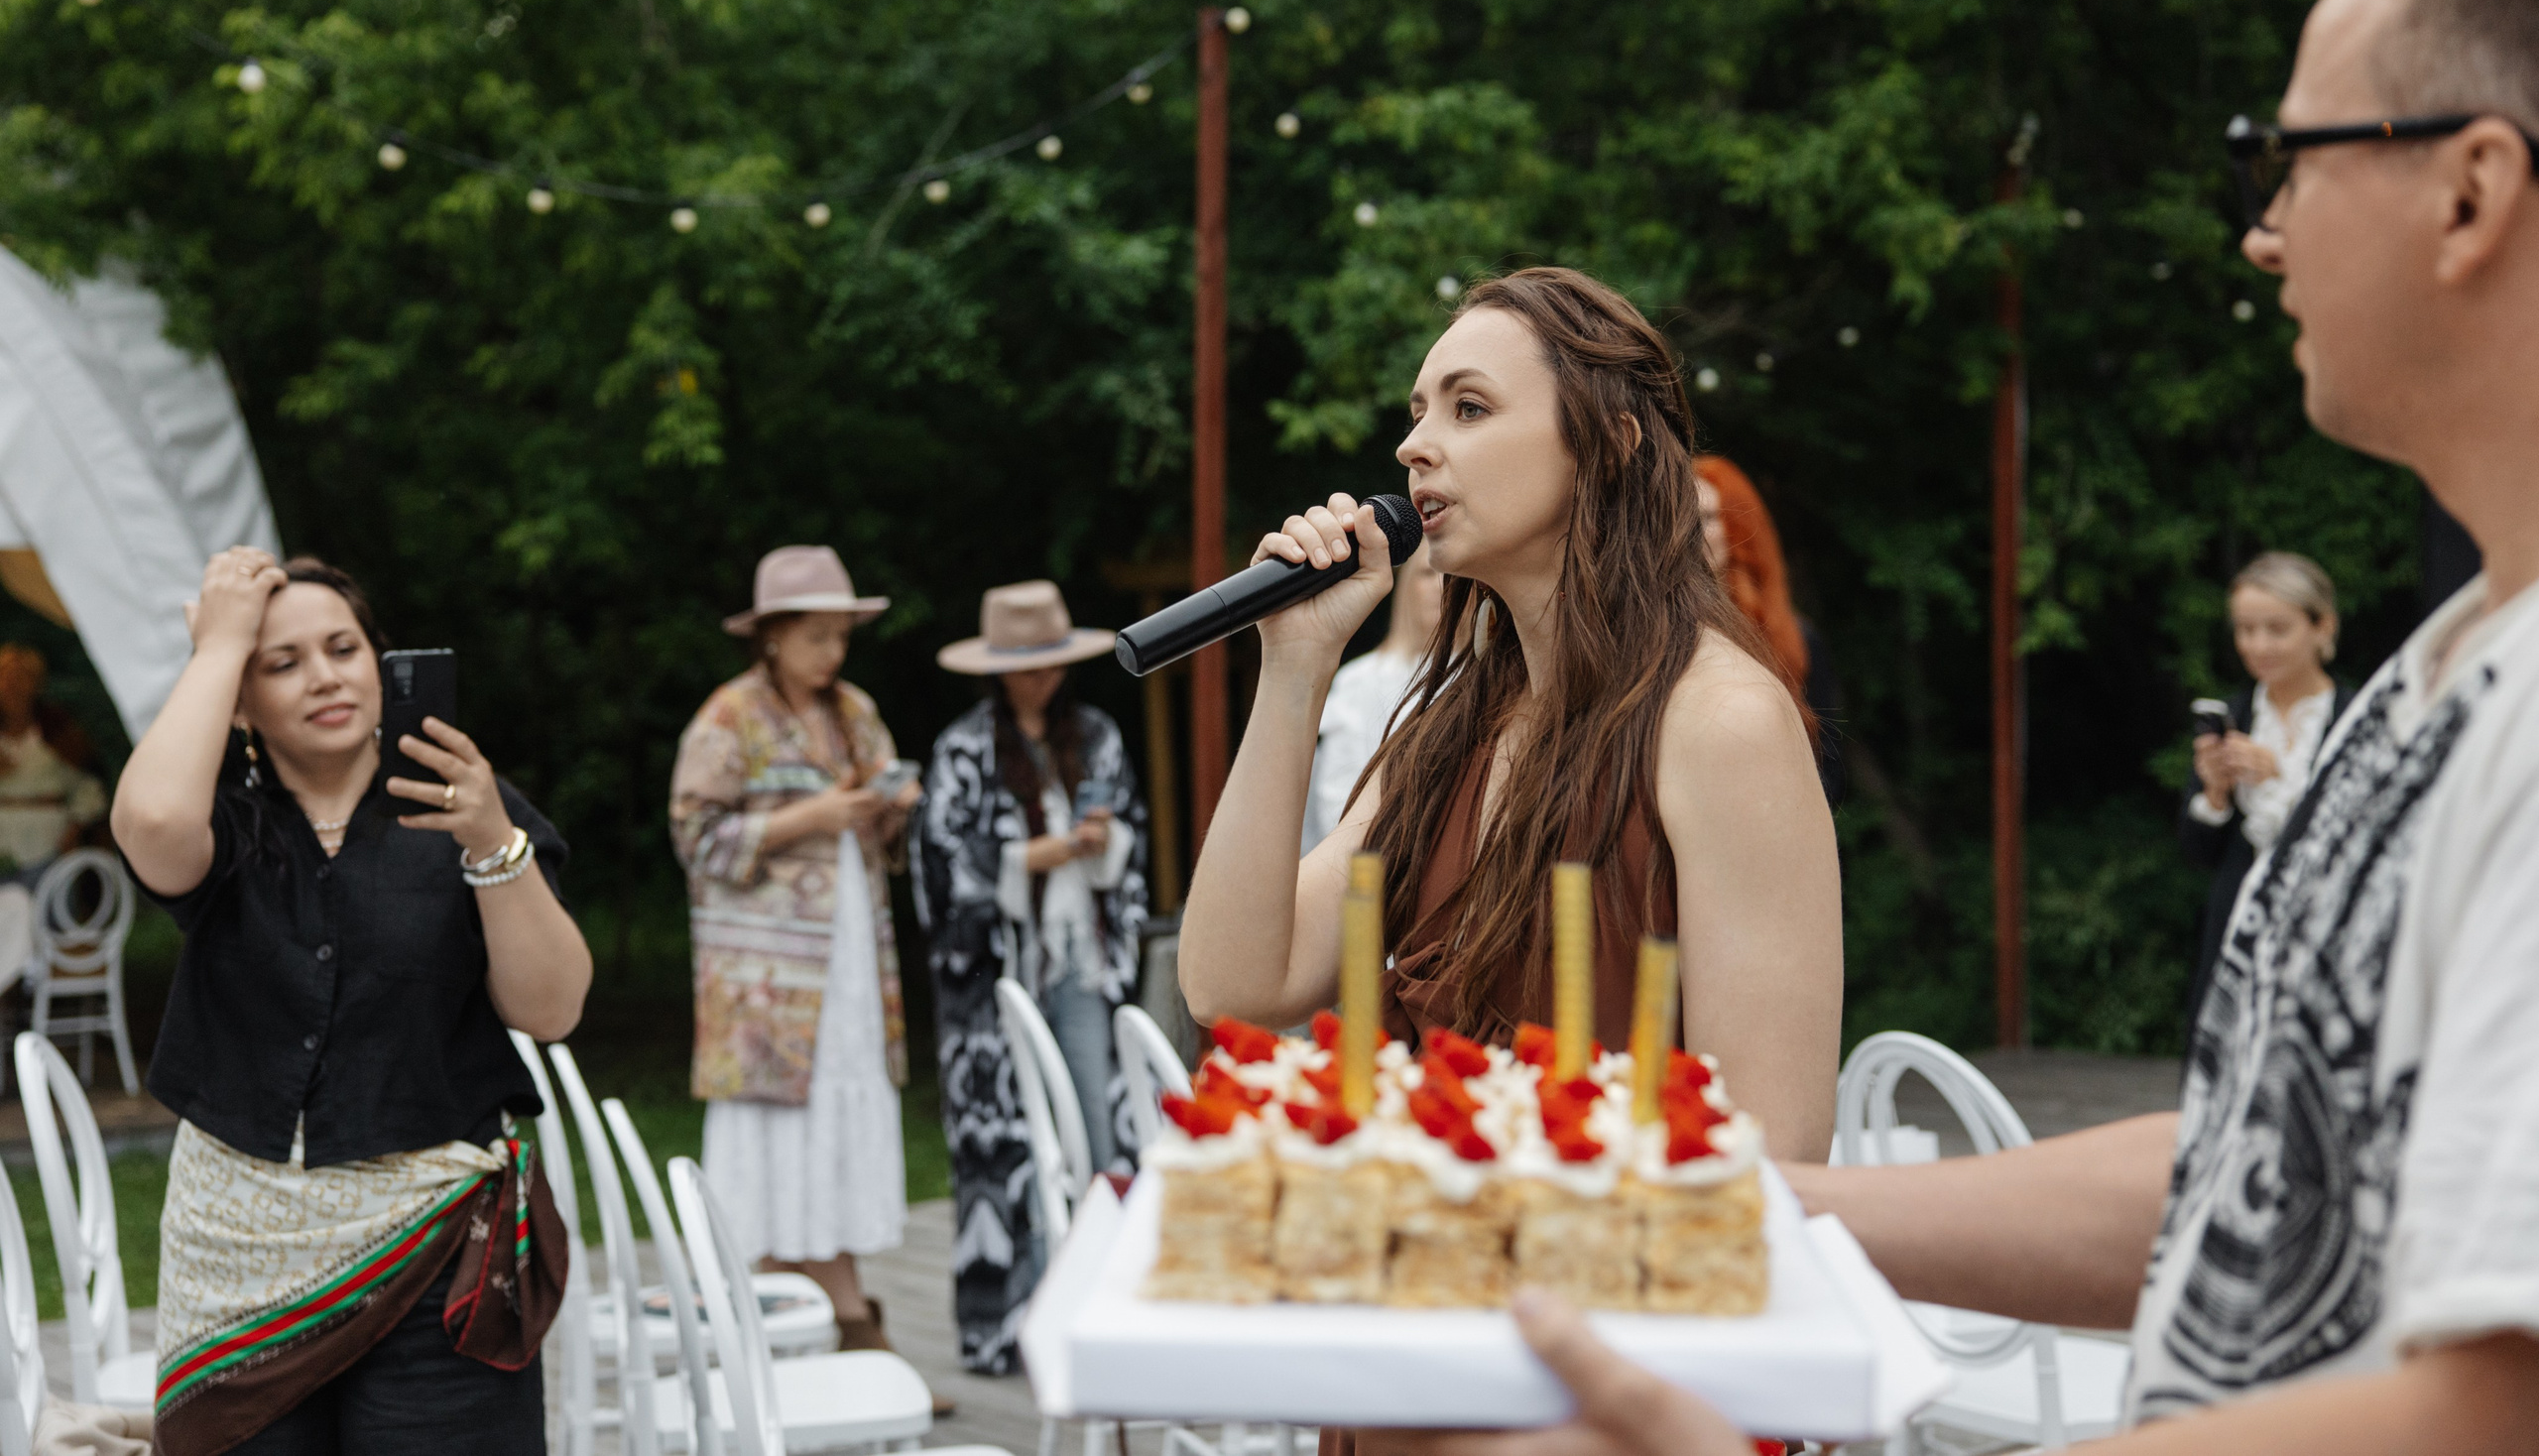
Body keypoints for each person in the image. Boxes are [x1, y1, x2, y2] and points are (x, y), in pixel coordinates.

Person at [1390, 0, 2539, 1456]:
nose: (2264, 230)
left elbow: (2494, 1403)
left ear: (2473, 189)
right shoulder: (2449, 673)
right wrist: (1740, 1201)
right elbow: (2244, 1176)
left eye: (2290, 159)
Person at [1177, 266, 1843, 1166]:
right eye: (1417, 411)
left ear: (1607, 443)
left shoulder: (1722, 723)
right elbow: (1232, 984)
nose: (1414, 445)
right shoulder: (1456, 724)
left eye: (1469, 408)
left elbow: (1773, 1147)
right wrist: (1295, 670)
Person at [110, 550, 588, 1455]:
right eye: (282, 662)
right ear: (241, 700)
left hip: (434, 1253)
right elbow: (150, 828)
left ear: (381, 659)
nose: (325, 676)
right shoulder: (222, 818)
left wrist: (492, 840)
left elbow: (553, 1008)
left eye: (343, 648)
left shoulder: (466, 805)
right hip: (235, 1267)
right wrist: (219, 643)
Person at [670, 544, 925, 1363]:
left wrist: (891, 807)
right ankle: (803, 1317)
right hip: (766, 975)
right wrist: (809, 818)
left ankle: (833, 1310)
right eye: (817, 636)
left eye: (840, 635)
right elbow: (695, 836)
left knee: (839, 1114)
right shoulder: (728, 717)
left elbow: (873, 825)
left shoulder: (854, 710)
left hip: (849, 950)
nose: (833, 652)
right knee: (781, 1127)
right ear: (773, 635)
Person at [912, 579, 1149, 1375]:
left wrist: (1101, 844)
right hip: (993, 981)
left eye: (1051, 663)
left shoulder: (1099, 734)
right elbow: (942, 871)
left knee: (1099, 1122)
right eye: (1026, 665)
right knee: (1003, 1144)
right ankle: (1011, 1320)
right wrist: (1042, 856)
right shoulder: (962, 749)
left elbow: (1132, 841)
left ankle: (1105, 1304)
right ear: (997, 668)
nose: (1041, 677)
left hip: (1081, 959)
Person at [2178, 550, 2353, 1023]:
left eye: (2277, 629)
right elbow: (2196, 853)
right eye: (2245, 629)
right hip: (2237, 933)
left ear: (2322, 627)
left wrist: (2280, 777)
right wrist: (2214, 795)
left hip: (2329, 934)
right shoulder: (2232, 717)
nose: (2258, 645)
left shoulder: (2358, 720)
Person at [1693, 457, 1846, 804]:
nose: (1691, 533)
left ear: (1739, 526)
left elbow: (1830, 772)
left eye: (1705, 519)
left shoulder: (1797, 641)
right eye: (1681, 519)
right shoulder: (1659, 636)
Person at [1302, 545, 1446, 852]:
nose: (1441, 585)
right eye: (1427, 573)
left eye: (1454, 577)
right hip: (1372, 863)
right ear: (1407, 586)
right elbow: (1336, 799)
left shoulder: (1495, 673)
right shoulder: (1358, 680)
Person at [0, 644, 105, 883]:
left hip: (48, 845)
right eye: (5, 678)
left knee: (51, 914)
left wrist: (74, 828)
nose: (12, 686)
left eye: (20, 678)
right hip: (2, 849)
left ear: (36, 683)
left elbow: (90, 784)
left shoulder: (56, 728)